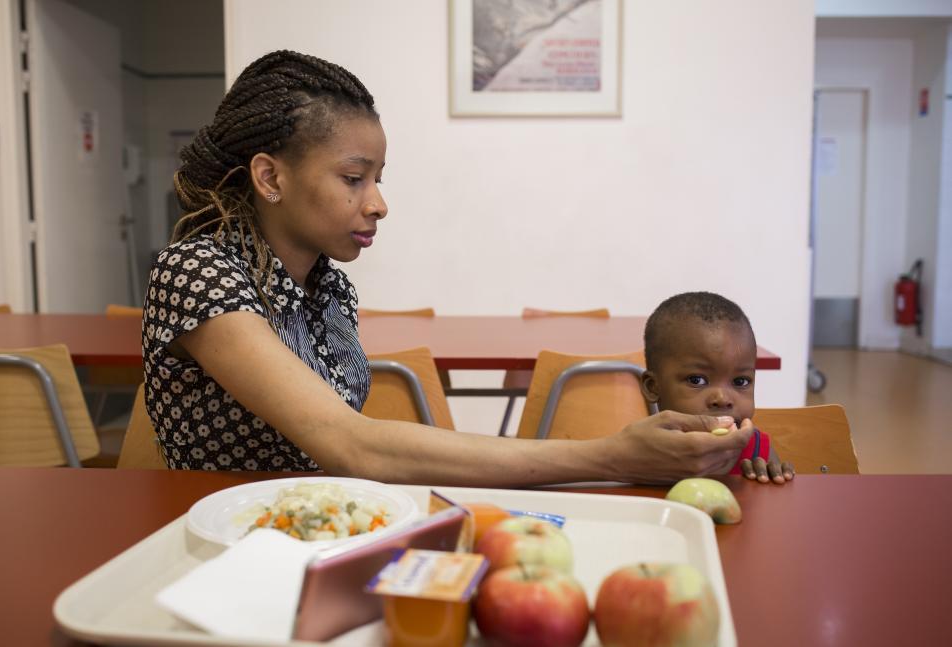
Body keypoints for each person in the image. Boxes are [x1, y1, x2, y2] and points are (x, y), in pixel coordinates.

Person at [142, 49, 754, 485]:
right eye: (354, 179)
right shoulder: (196, 274)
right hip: (223, 547)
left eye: (378, 180)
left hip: (311, 529)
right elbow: (350, 445)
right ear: (271, 176)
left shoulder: (328, 288)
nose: (378, 203)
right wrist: (612, 456)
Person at [640, 292, 796, 484]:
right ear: (653, 387)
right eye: (697, 380)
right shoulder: (644, 453)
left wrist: (770, 479)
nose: (722, 398)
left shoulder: (757, 451)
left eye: (740, 382)